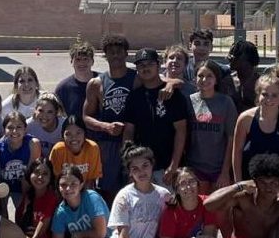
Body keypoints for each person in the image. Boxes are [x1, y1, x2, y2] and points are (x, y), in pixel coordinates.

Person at [83, 34, 137, 200]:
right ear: (105, 55)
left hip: (135, 142)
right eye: (111, 52)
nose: (115, 55)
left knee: (133, 189)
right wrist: (105, 126)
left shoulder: (137, 78)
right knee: (109, 192)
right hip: (108, 146)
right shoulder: (96, 83)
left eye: (119, 51)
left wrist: (172, 83)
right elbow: (86, 117)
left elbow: (161, 80)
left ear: (126, 53)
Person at [123, 48, 188, 185]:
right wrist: (130, 164)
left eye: (150, 64)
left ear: (158, 65)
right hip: (142, 168)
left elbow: (181, 131)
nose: (145, 68)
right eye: (141, 65)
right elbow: (129, 131)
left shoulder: (172, 95)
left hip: (167, 168)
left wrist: (174, 165)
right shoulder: (134, 97)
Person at [232, 72, 279, 192]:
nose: (269, 99)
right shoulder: (245, 119)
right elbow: (237, 154)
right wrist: (239, 185)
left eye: (274, 95)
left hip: (278, 184)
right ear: (258, 95)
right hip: (250, 184)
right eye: (265, 94)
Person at [185, 60, 238, 193]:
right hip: (195, 167)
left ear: (216, 80)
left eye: (209, 76)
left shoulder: (226, 102)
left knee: (217, 210)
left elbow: (232, 138)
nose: (204, 79)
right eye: (201, 75)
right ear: (195, 78)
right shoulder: (189, 101)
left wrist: (225, 171)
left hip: (219, 168)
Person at [0, 111, 43, 210]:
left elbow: (31, 175)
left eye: (19, 127)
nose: (14, 131)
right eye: (10, 127)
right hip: (4, 189)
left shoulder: (33, 144)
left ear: (25, 129)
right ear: (4, 130)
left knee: (23, 214)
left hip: (25, 188)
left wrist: (25, 203)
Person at [17, 158, 59, 238]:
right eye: (36, 172)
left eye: (45, 174)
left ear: (50, 177)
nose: (40, 177)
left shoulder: (51, 198)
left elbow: (38, 235)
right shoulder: (27, 196)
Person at [54, 42, 97, 122]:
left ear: (92, 61)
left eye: (85, 59)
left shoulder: (104, 82)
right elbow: (58, 116)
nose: (82, 63)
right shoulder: (63, 88)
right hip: (74, 133)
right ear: (71, 62)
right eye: (78, 59)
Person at [184, 29, 235, 95]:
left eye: (206, 44)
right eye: (197, 44)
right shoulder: (183, 68)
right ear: (190, 46)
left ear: (211, 47)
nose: (201, 48)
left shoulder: (222, 71)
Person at [26, 92, 66, 157]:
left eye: (49, 112)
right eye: (41, 111)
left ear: (56, 113)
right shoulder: (28, 125)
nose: (44, 116)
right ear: (35, 110)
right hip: (36, 162)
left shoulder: (65, 126)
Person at [227, 39, 260, 113]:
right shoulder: (227, 81)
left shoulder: (261, 83)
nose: (229, 58)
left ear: (247, 59)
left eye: (234, 55)